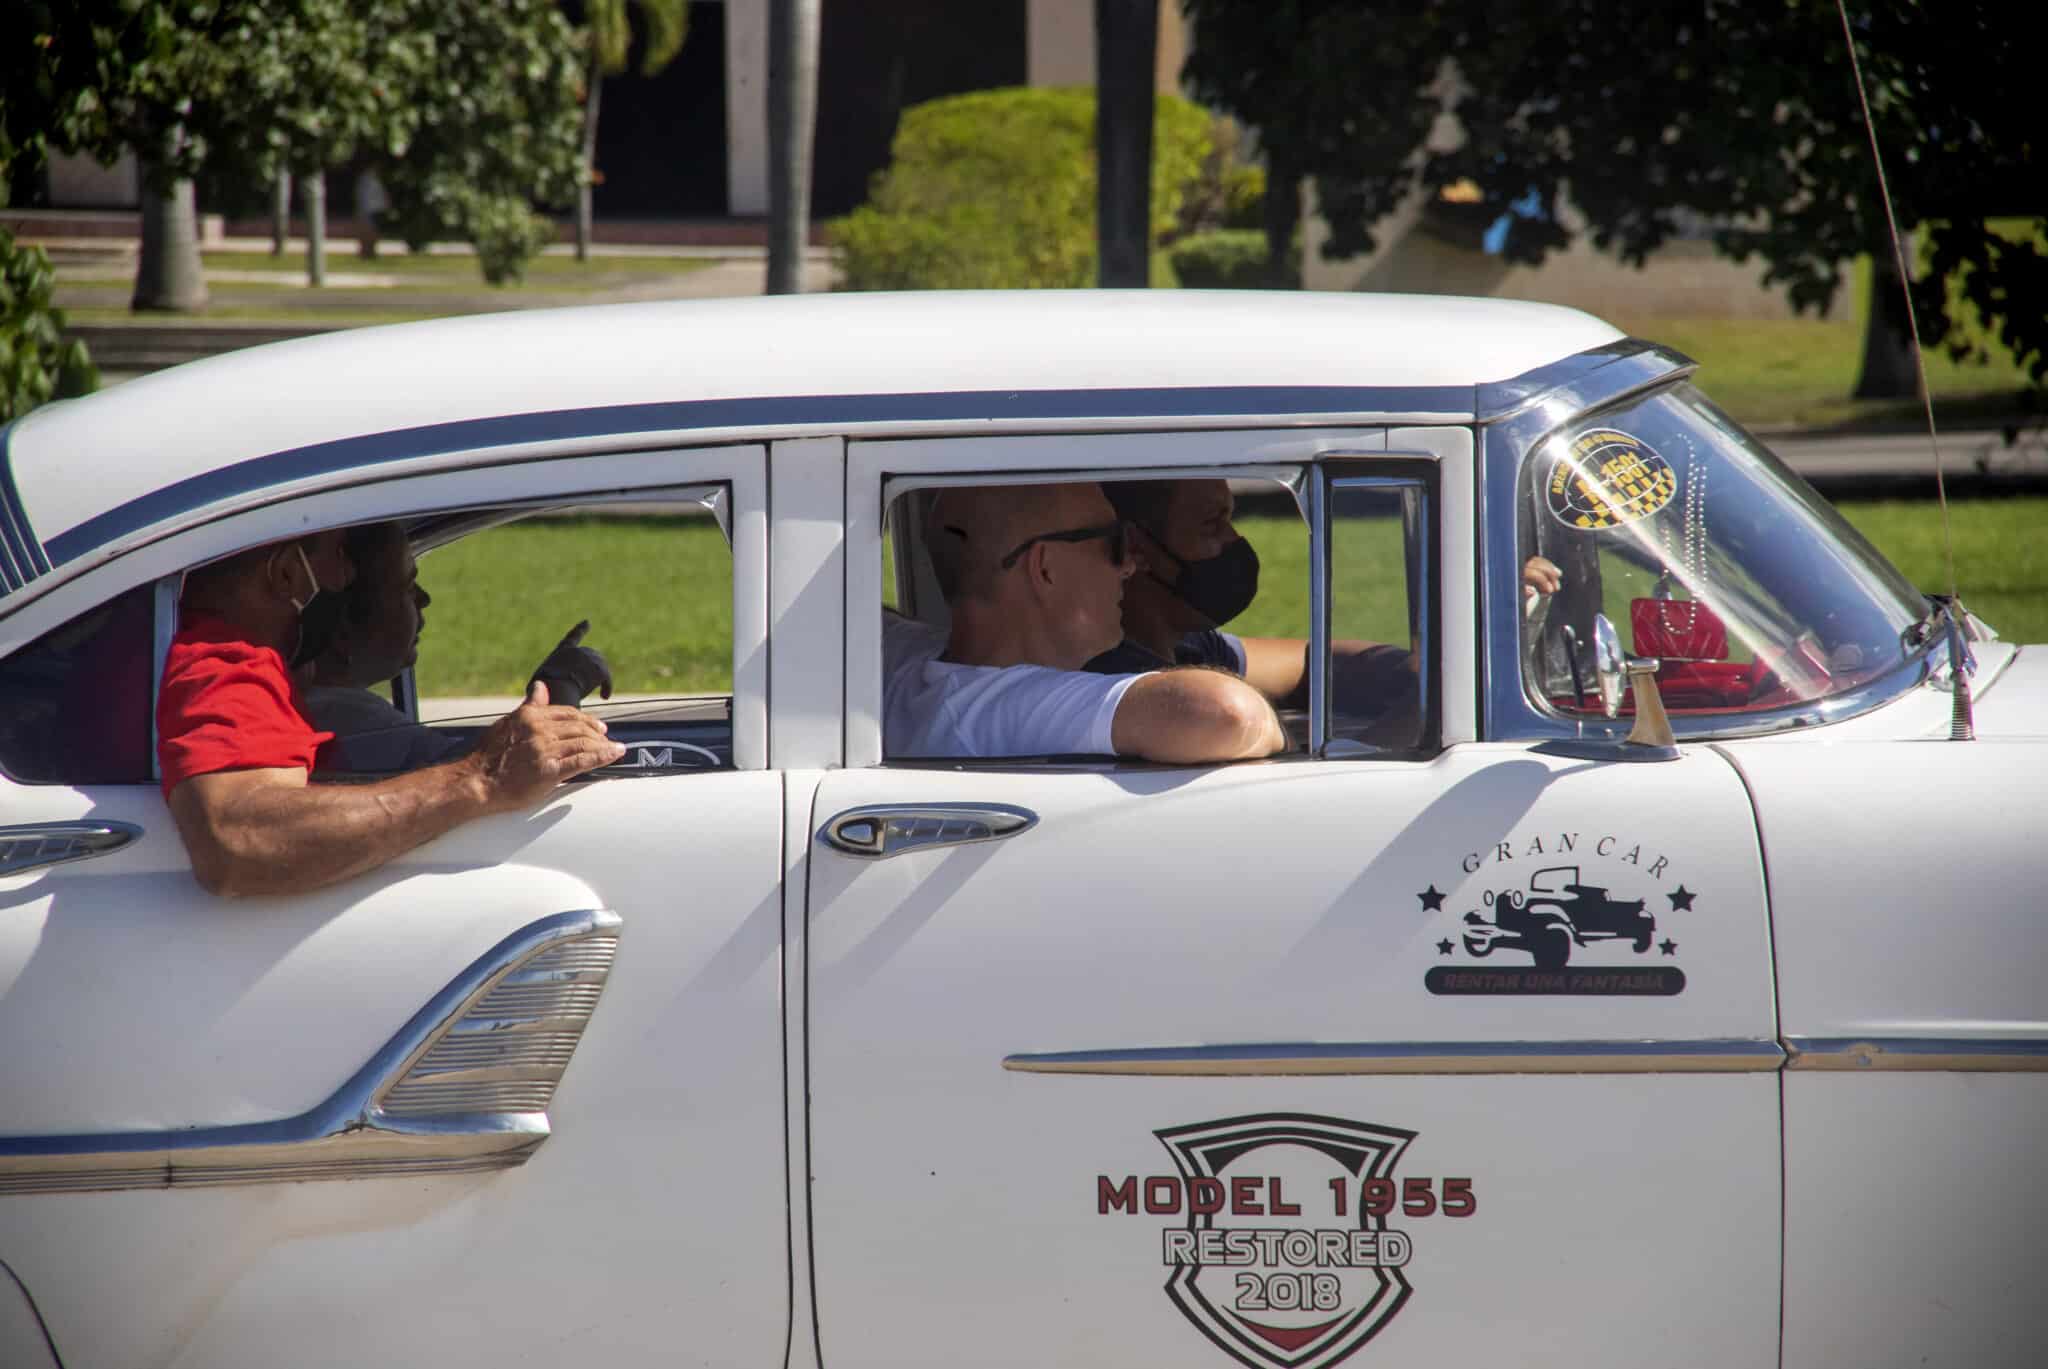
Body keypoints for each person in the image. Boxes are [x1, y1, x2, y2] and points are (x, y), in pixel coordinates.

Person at [158, 529, 625, 898]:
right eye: (340, 555)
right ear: (285, 575)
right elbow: (237, 840)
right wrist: (481, 777)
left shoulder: (253, 672)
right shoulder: (225, 665)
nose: (347, 580)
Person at [883, 482, 1285, 762]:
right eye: (1113, 544)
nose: (1130, 566)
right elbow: (1228, 715)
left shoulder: (903, 662)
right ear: (1045, 569)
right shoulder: (995, 710)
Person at [1086, 478, 1562, 715]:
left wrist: (1431, 658)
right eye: (1212, 525)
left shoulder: (1190, 648)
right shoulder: (1118, 678)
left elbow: (1321, 664)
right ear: (1138, 550)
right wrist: (1457, 671)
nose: (1234, 542)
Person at [296, 521, 613, 773]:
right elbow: (489, 774)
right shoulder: (350, 719)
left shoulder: (328, 709)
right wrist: (559, 689)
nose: (424, 598)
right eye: (406, 587)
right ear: (342, 630)